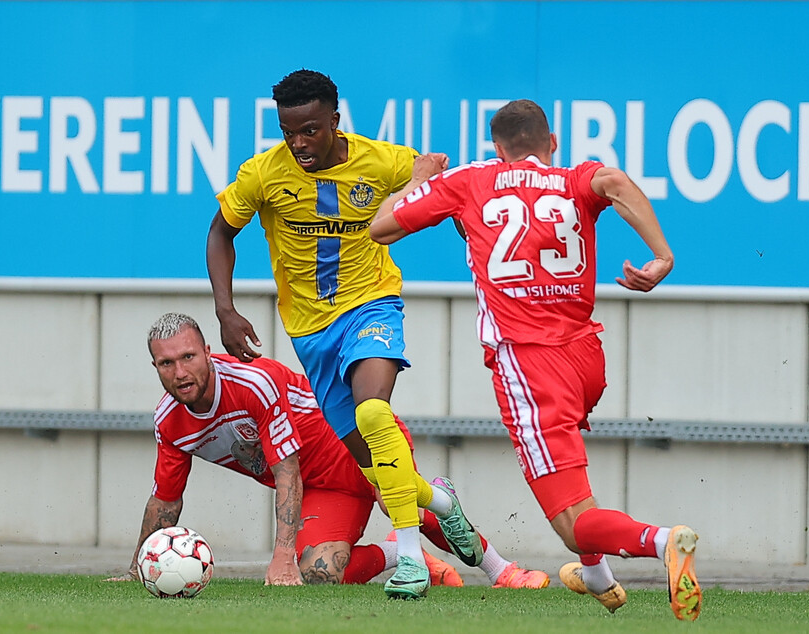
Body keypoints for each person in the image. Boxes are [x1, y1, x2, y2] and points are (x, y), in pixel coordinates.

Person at [369, 99, 703, 621]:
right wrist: (662, 255)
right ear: (552, 143)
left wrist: (416, 178)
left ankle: (662, 542)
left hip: (529, 367)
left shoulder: (471, 180)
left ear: (497, 149)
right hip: (586, 357)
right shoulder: (575, 178)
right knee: (574, 484)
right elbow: (615, 183)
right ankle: (596, 575)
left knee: (571, 522)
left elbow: (381, 227)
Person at [206, 69, 483, 599]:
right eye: (289, 132)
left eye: (310, 130)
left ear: (334, 120)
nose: (299, 143)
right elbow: (221, 230)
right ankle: (442, 504)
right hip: (311, 334)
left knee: (373, 411)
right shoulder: (264, 174)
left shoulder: (379, 161)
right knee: (374, 465)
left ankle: (410, 562)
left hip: (371, 305)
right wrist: (226, 309)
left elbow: (445, 187)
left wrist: (433, 186)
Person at [109, 312, 551, 591]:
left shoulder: (252, 381)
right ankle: (397, 552)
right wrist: (137, 567)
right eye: (167, 363)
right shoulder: (170, 421)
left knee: (416, 513)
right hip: (320, 488)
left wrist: (280, 555)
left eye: (188, 357)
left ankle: (501, 572)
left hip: (359, 449)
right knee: (317, 575)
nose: (180, 372)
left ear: (208, 352)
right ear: (155, 368)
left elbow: (285, 471)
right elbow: (166, 499)